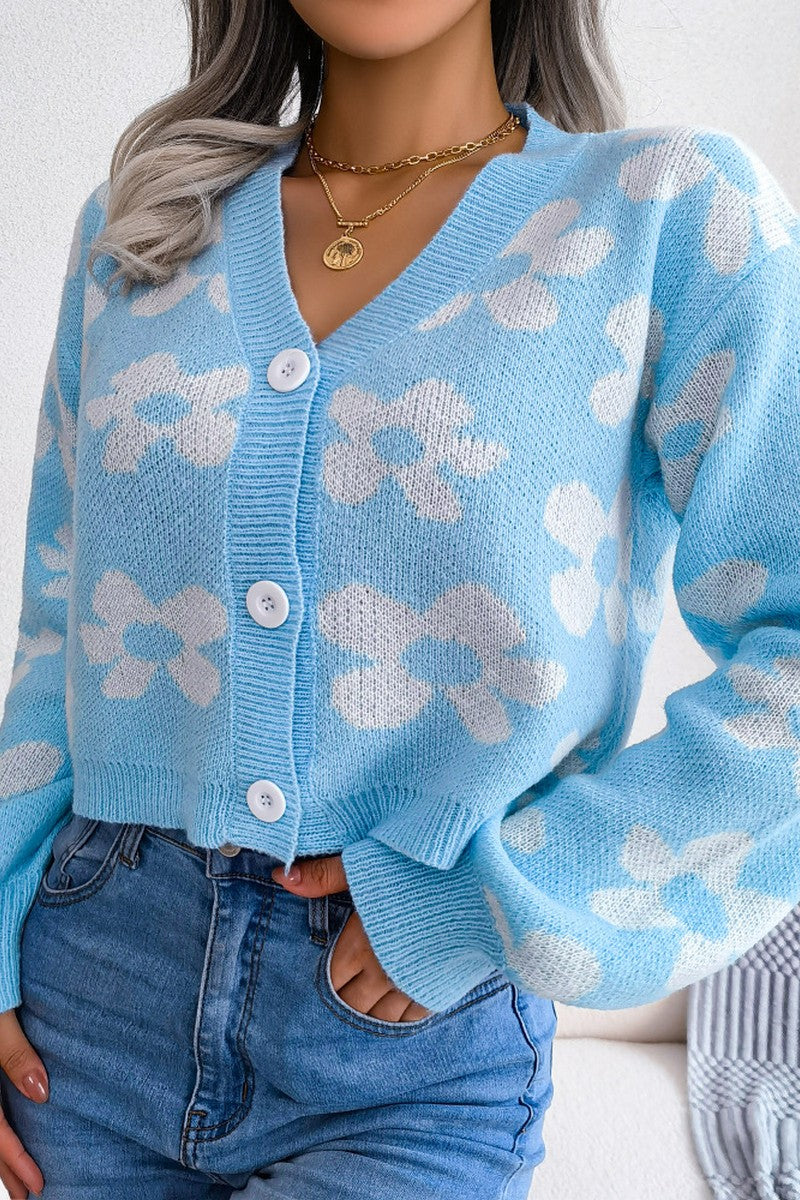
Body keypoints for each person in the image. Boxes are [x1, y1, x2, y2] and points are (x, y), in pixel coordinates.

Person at [1, 0, 799, 1196]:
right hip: (88, 1001)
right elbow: (60, 632)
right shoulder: (143, 226)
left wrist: (498, 899)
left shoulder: (668, 215)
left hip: (409, 1038)